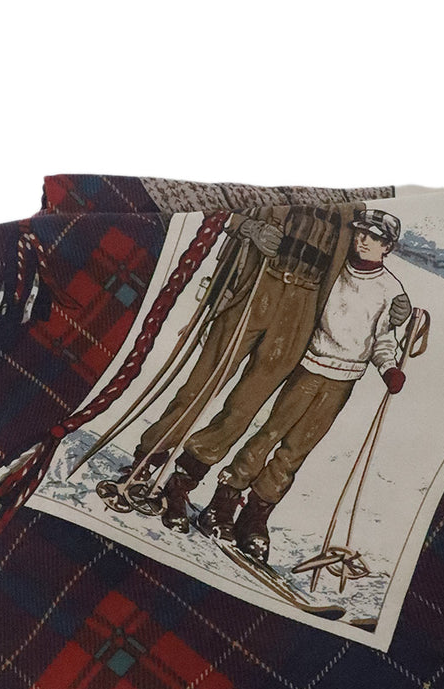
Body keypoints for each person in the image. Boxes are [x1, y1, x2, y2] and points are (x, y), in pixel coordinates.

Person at [97, 203, 412, 531]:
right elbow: (221, 210)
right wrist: (249, 228)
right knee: (202, 386)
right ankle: (146, 461)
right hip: (258, 284)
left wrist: (396, 308)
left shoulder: (353, 210)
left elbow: (359, 268)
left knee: (243, 408)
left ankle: (181, 483)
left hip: (301, 308)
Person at [198, 209, 411, 563]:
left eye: (374, 238)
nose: (363, 241)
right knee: (270, 433)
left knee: (295, 451)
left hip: (344, 379)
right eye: (360, 233)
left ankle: (255, 517)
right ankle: (223, 501)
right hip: (310, 366)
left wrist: (389, 370)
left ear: (387, 246)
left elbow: (383, 340)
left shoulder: (390, 290)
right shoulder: (335, 271)